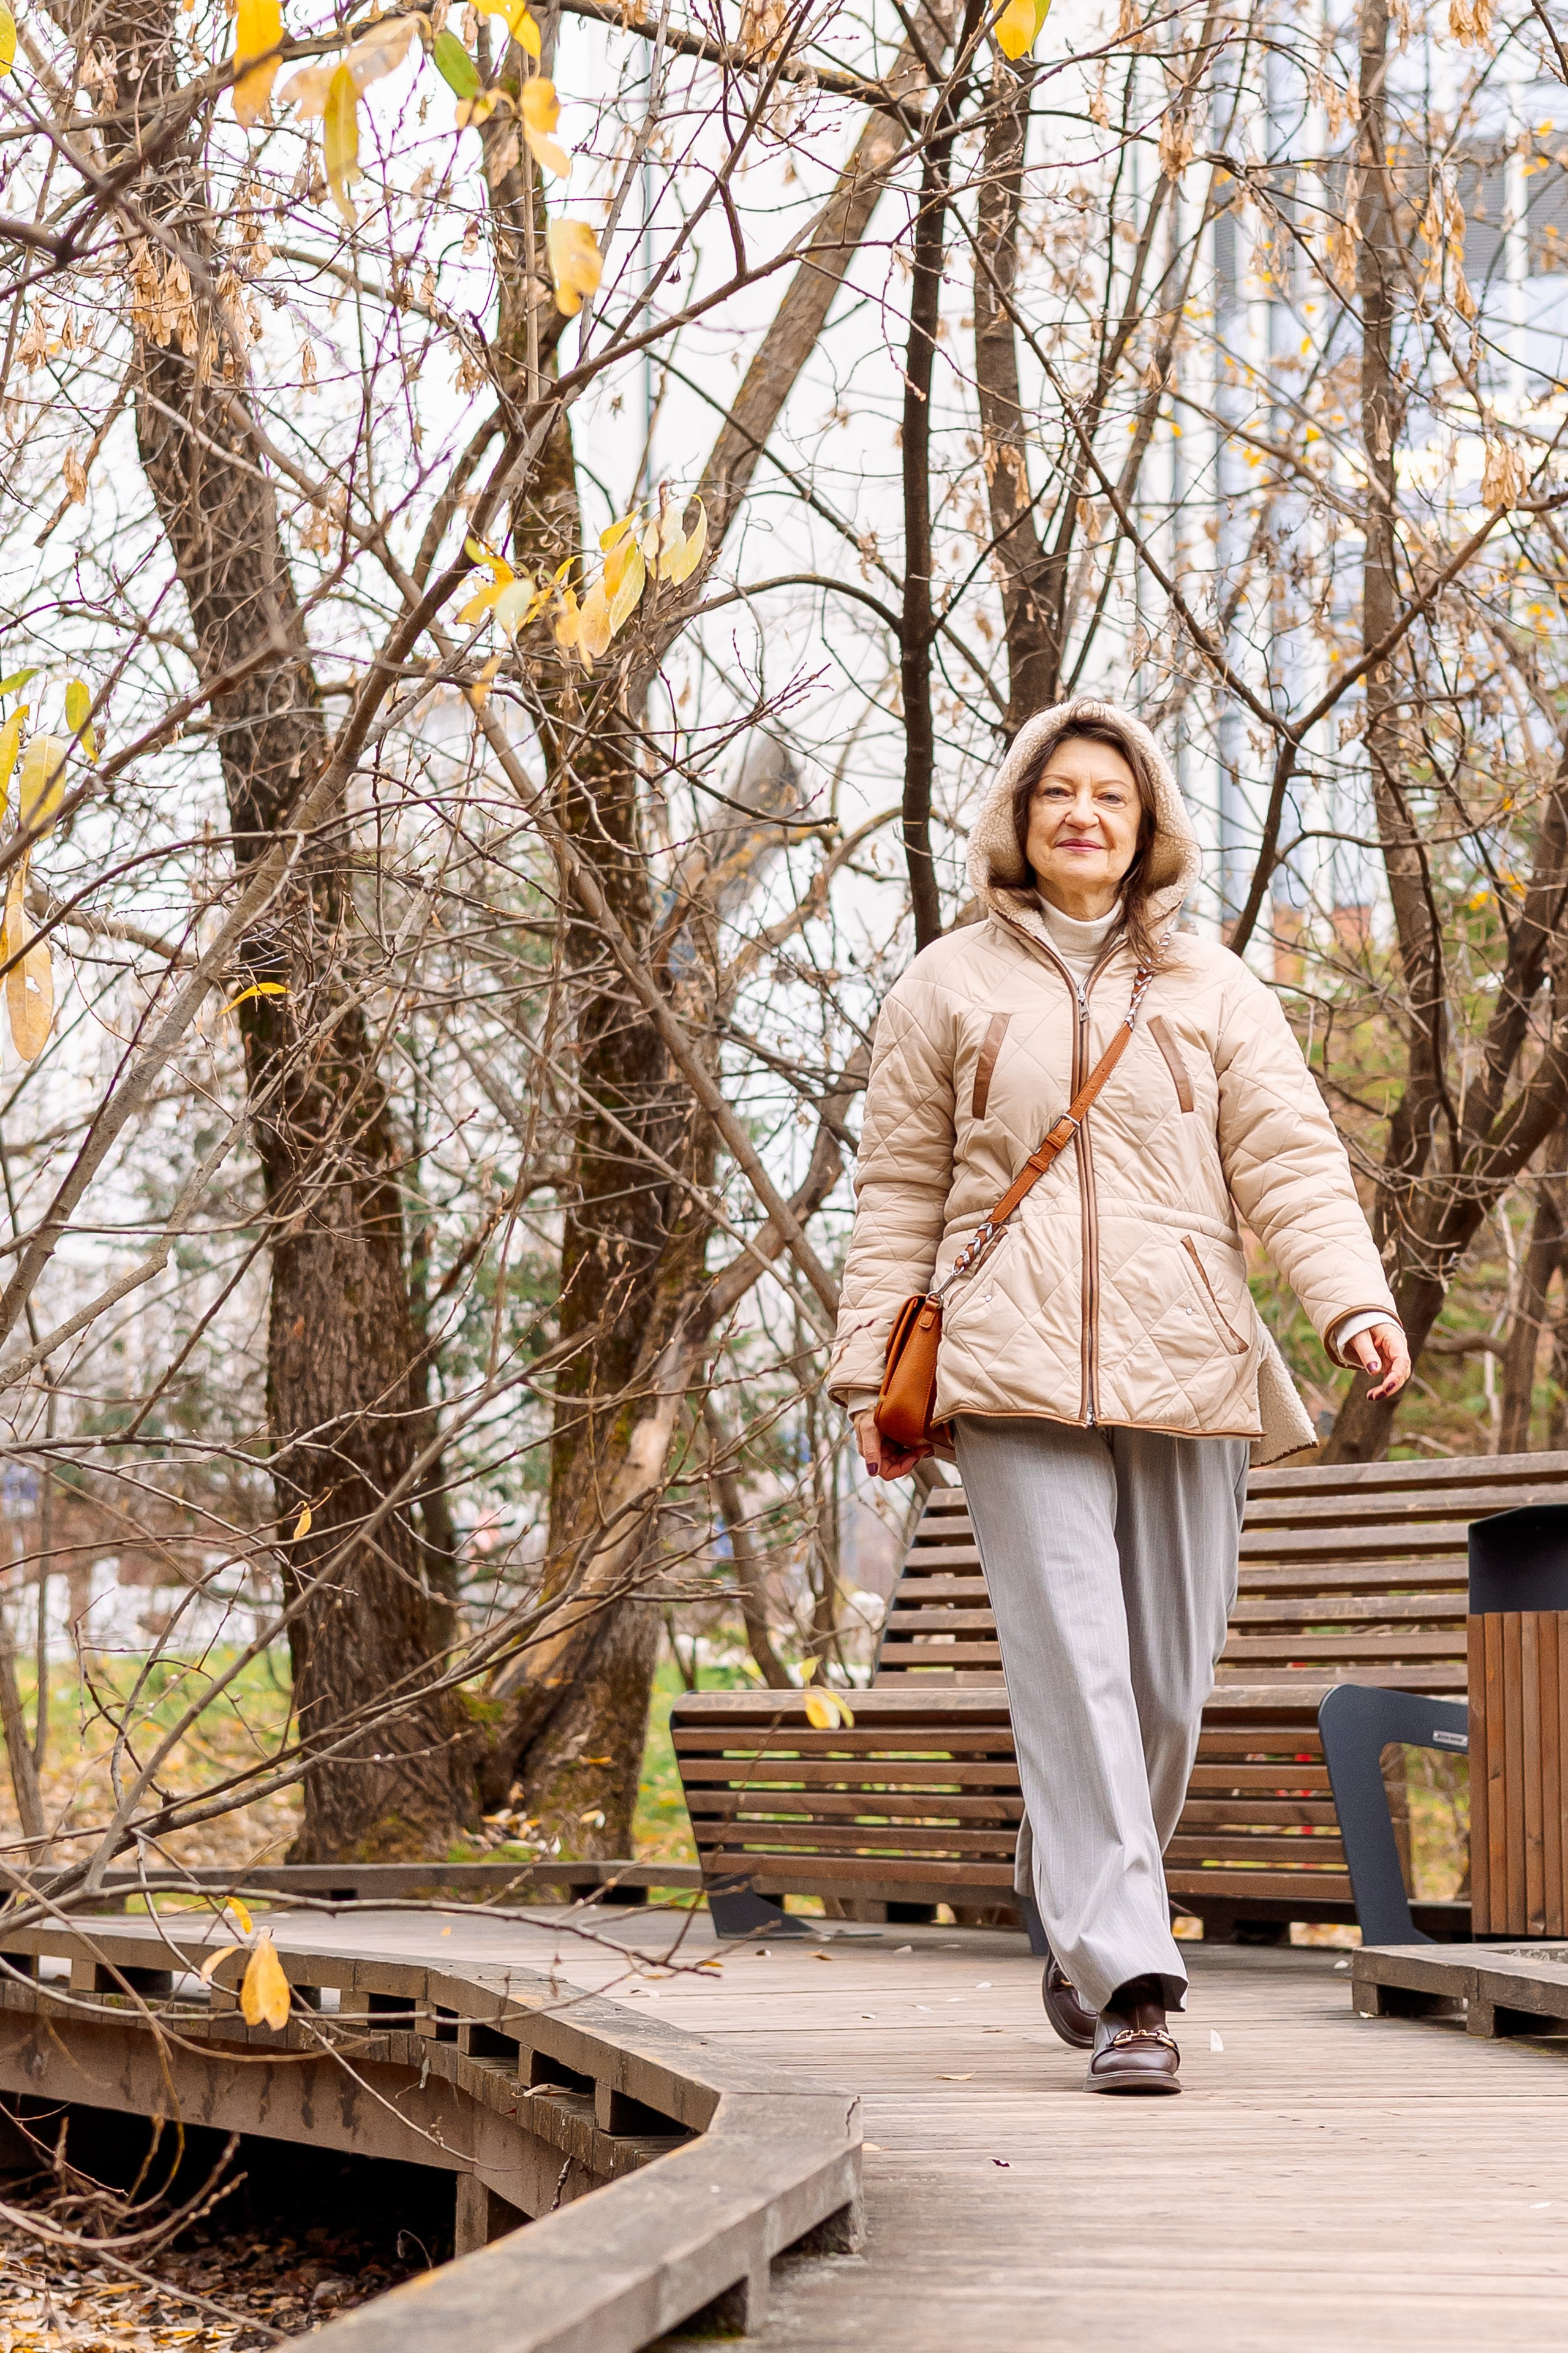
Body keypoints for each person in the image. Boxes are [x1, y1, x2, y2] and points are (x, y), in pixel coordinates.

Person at [828, 697, 1408, 2095]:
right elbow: (899, 1184)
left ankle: (1073, 1882)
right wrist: (868, 1366)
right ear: (1017, 822)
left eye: (1108, 795)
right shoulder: (945, 984)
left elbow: (1286, 1158)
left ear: (1146, 824)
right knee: (1074, 1663)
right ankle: (1131, 1982)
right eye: (1055, 796)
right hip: (1007, 1369)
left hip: (1185, 1363)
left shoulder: (1211, 986)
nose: (1081, 815)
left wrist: (1351, 1297)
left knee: (1158, 1684)